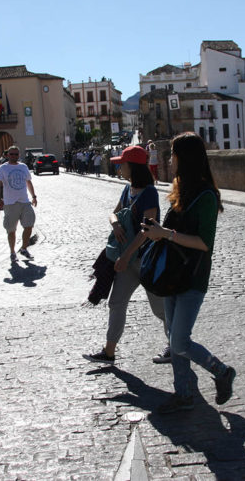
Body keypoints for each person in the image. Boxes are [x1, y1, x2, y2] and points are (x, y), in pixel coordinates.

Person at [141, 132, 235, 414]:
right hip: (172, 272)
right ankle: (183, 393)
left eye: (173, 153)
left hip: (192, 276)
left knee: (180, 339)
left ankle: (221, 371)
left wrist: (166, 233)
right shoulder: (180, 186)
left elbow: (203, 242)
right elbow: (174, 232)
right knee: (173, 336)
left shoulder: (206, 195)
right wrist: (157, 232)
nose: (170, 159)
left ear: (185, 157)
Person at [84, 145, 170, 366]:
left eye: (122, 164)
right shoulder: (127, 189)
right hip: (127, 261)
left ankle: (176, 344)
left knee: (159, 309)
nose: (119, 168)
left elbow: (147, 229)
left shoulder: (149, 192)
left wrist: (126, 256)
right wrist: (115, 225)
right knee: (116, 303)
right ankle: (108, 352)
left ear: (133, 166)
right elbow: (113, 213)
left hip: (143, 260)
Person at [0, 145, 38, 261]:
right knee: (11, 230)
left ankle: (24, 248)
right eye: (11, 154)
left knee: (29, 225)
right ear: (7, 155)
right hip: (10, 203)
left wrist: (34, 196)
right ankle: (12, 252)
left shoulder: (23, 167)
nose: (14, 156)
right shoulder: (2, 168)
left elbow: (28, 182)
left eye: (16, 154)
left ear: (19, 155)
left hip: (24, 201)